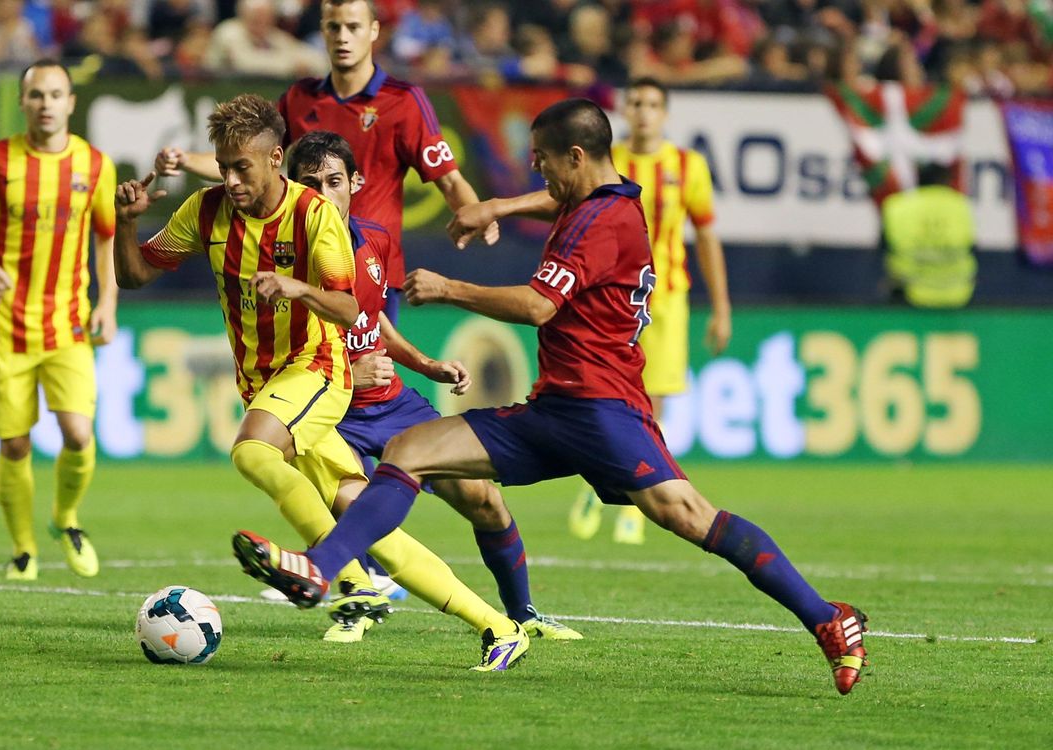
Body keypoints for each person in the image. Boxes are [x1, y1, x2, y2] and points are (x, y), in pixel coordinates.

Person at [233, 98, 870, 696]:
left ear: (575, 157)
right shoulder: (608, 199)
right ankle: (324, 570)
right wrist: (498, 208)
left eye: (541, 157)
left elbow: (539, 306)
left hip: (604, 412)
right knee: (411, 448)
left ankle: (826, 617)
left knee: (689, 516)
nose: (534, 166)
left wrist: (452, 288)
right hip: (554, 409)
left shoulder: (599, 221)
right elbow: (554, 201)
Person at [114, 94, 529, 668]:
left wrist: (297, 288)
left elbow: (344, 303)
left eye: (243, 167)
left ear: (275, 157)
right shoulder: (205, 212)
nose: (231, 180)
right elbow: (135, 275)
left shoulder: (314, 216)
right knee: (366, 521)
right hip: (265, 383)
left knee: (252, 452)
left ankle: (349, 584)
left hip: (317, 368)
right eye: (224, 166)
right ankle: (497, 625)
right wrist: (126, 224)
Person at [286, 129, 581, 642]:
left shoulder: (374, 240)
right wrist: (345, 375)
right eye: (308, 184)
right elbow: (271, 353)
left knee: (483, 498)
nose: (322, 195)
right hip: (327, 412)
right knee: (356, 508)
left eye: (333, 181)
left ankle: (524, 614)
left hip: (390, 403)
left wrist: (424, 364)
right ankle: (357, 604)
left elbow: (372, 321)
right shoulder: (280, 259)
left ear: (355, 182)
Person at [155, 0, 498, 324]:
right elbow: (249, 163)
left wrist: (477, 213)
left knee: (368, 379)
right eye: (334, 28)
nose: (343, 37)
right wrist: (185, 159)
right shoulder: (300, 98)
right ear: (322, 31)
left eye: (353, 27)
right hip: (304, 269)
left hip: (370, 267)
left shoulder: (403, 101)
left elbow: (449, 180)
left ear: (374, 30)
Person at [0, 59, 118, 581]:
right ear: (22, 103)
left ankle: (66, 519)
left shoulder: (95, 164)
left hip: (68, 321)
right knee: (15, 442)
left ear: (71, 103)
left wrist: (108, 302)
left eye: (55, 94)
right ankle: (23, 550)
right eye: (36, 95)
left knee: (78, 434)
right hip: (6, 324)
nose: (46, 104)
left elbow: (108, 235)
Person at [568, 77, 732, 546]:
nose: (643, 111)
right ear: (624, 108)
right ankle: (603, 483)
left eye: (652, 104)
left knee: (652, 399)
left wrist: (721, 307)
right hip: (610, 295)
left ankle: (636, 496)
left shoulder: (687, 165)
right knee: (605, 391)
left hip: (666, 297)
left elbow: (706, 236)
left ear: (665, 113)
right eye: (635, 102)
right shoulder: (608, 160)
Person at [881, 162, 976, 308]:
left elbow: (884, 246)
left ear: (918, 180)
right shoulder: (960, 205)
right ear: (947, 181)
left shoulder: (897, 205)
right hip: (958, 291)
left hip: (907, 292)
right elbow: (971, 246)